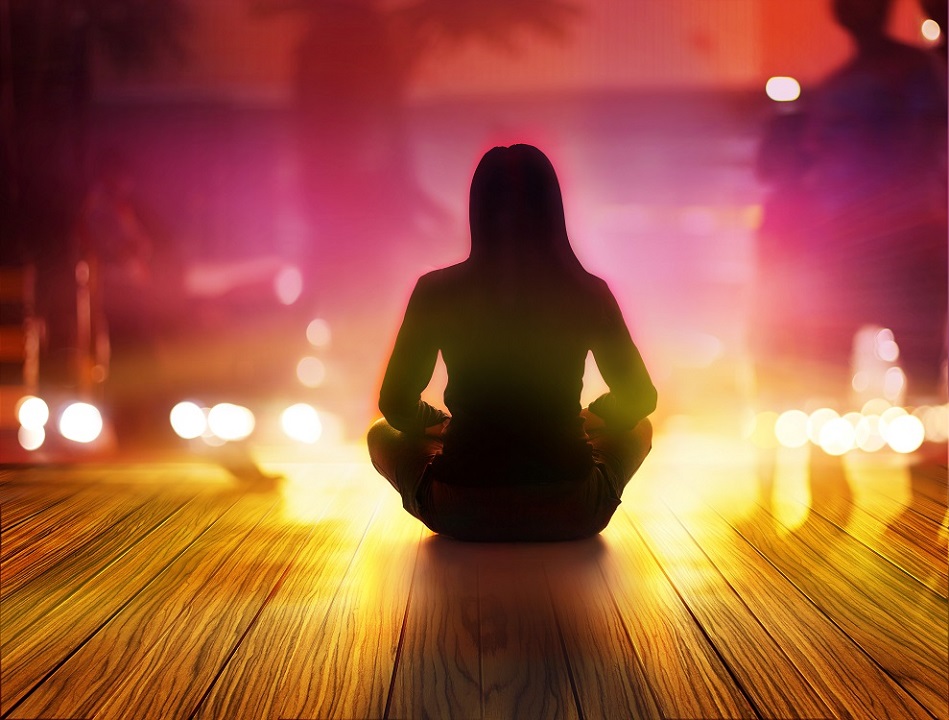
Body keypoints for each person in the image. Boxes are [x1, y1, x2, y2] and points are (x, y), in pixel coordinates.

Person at [367, 145, 656, 542]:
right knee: (638, 429)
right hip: (573, 510)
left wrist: (443, 425)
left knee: (381, 434)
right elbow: (639, 398)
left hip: (462, 510)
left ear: (478, 210)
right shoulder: (588, 292)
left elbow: (396, 405)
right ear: (553, 211)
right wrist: (590, 418)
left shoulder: (436, 291)